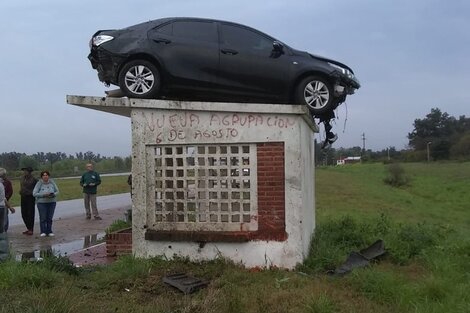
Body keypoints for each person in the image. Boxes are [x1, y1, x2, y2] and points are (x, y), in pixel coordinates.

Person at [33, 170, 59, 237]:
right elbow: (34, 193)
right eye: (44, 175)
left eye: (46, 175)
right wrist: (43, 195)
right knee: (43, 217)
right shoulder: (39, 183)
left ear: (48, 176)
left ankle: (49, 231)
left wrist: (53, 194)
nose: (45, 176)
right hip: (42, 203)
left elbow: (57, 191)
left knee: (49, 217)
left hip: (52, 202)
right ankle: (43, 231)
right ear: (41, 177)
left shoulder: (52, 182)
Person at [19, 166, 38, 235]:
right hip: (23, 197)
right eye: (24, 171)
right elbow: (21, 186)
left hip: (30, 197)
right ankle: (28, 228)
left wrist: (33, 193)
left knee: (30, 213)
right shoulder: (22, 178)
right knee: (23, 213)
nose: (24, 172)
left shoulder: (34, 179)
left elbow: (37, 188)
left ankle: (31, 229)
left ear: (29, 172)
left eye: (25, 171)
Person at [0, 168, 14, 232]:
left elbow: (9, 192)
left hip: (2, 204)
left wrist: (9, 206)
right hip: (2, 204)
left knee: (4, 221)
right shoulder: (1, 184)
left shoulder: (6, 183)